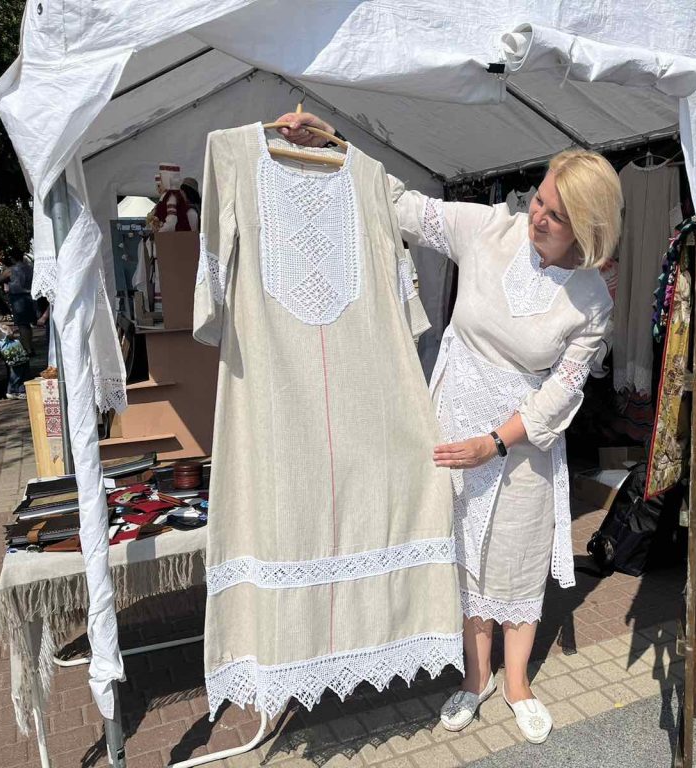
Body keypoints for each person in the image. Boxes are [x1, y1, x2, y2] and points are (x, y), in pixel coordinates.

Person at [279, 113, 621, 745]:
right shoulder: (489, 227)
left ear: (587, 228)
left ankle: (517, 683)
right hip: (454, 416)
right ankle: (475, 677)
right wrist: (333, 143)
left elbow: (562, 390)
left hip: (519, 440)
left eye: (556, 215)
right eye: (539, 201)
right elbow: (402, 206)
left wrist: (497, 441)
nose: (538, 218)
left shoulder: (593, 299)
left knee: (516, 557)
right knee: (463, 555)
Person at [0, 252, 37, 355]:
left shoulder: (11, 270)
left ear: (12, 258)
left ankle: (27, 349)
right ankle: (30, 346)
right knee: (28, 324)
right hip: (30, 296)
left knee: (22, 325)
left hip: (18, 298)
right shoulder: (30, 268)